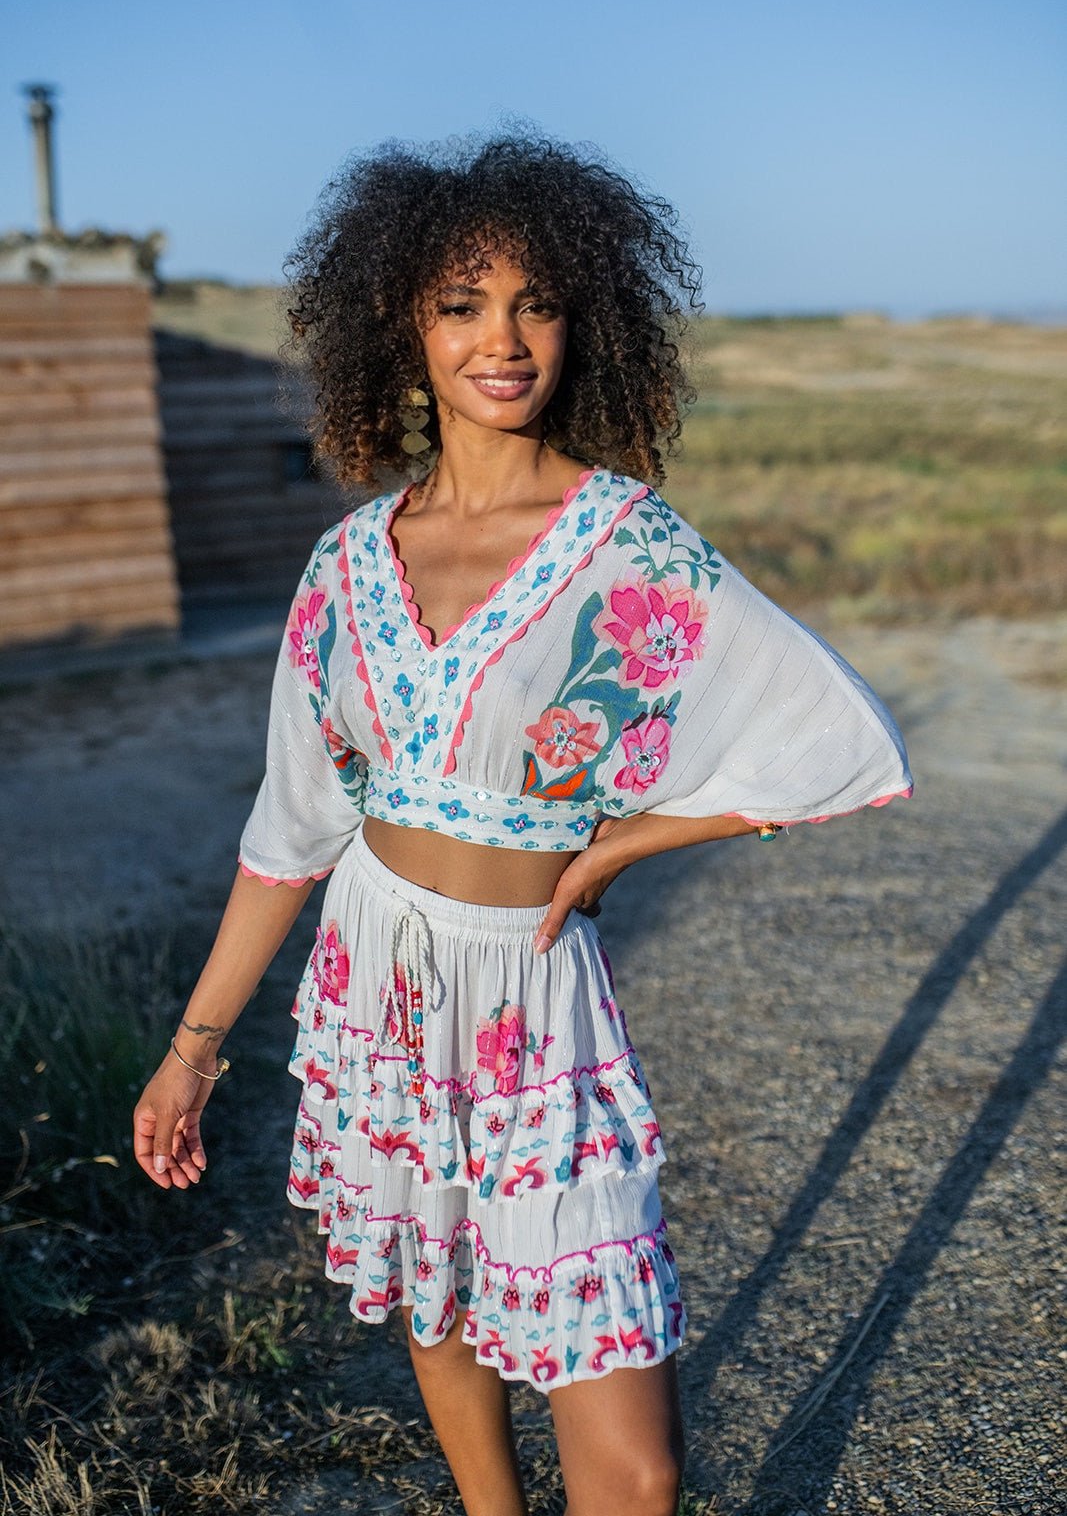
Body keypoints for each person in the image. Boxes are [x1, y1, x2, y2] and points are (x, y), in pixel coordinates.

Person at [133, 131, 911, 1516]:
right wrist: (191, 1054)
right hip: (379, 978)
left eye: (535, 304)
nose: (503, 341)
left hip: (534, 1004)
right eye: (462, 306)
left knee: (637, 1464)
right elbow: (292, 830)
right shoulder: (344, 563)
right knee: (440, 1304)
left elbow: (834, 736)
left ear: (581, 321)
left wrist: (633, 839)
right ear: (403, 327)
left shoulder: (629, 545)